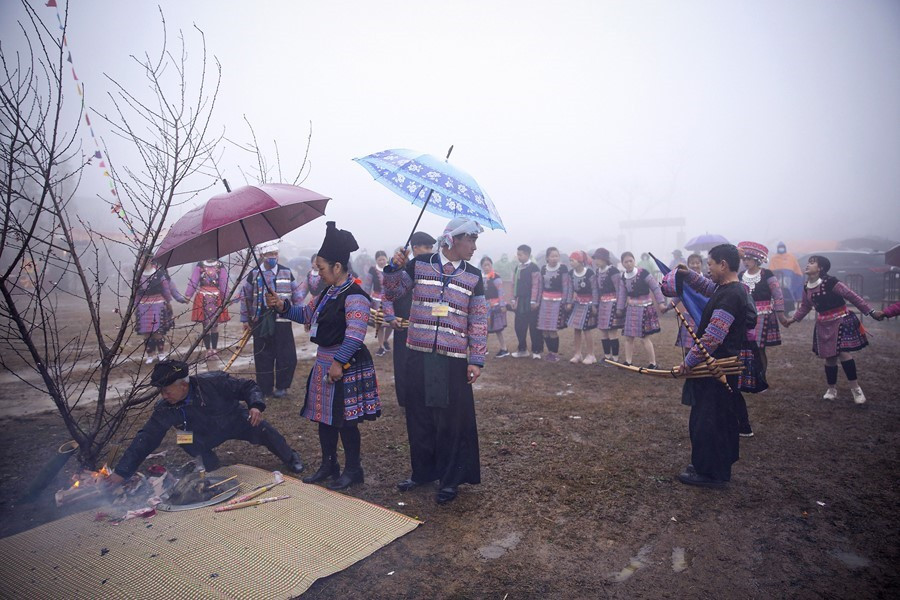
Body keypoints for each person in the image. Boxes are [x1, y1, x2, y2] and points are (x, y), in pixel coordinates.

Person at [269, 222, 381, 490]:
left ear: (337, 267)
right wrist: (282, 306)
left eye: (321, 268)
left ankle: (353, 470)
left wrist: (339, 363)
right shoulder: (326, 293)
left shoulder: (355, 296)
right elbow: (305, 315)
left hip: (346, 364)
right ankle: (329, 465)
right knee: (325, 418)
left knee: (345, 421)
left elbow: (355, 335)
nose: (318, 273)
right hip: (324, 363)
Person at [384, 217, 487, 505]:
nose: (474, 247)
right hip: (417, 353)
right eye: (471, 240)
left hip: (452, 359)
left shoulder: (474, 276)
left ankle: (450, 480)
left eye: (475, 241)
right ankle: (422, 472)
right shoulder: (419, 264)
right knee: (418, 415)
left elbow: (478, 320)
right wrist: (394, 268)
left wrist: (476, 359)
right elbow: (393, 293)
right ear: (453, 240)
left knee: (451, 421)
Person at [106, 360, 303, 485]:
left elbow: (248, 387)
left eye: (166, 390)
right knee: (183, 438)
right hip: (203, 434)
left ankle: (290, 457)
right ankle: (212, 464)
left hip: (233, 420)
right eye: (161, 391)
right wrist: (122, 471)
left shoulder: (213, 381)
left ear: (184, 385)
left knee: (263, 429)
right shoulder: (166, 407)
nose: (163, 395)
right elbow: (147, 437)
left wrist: (256, 405)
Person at [661, 244, 750, 488]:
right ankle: (707, 465)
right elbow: (706, 287)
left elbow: (712, 337)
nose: (707, 269)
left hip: (717, 368)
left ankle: (712, 474)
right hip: (714, 368)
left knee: (711, 421)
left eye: (710, 264)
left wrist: (688, 363)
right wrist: (687, 274)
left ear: (723, 264)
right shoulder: (727, 288)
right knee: (707, 418)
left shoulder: (731, 295)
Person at [783, 255, 876, 404]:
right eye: (808, 262)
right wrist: (792, 320)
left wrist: (870, 311)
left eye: (812, 263)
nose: (807, 265)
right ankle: (831, 389)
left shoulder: (832, 282)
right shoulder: (807, 287)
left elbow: (852, 296)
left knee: (843, 353)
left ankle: (856, 389)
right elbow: (805, 307)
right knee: (830, 357)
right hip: (823, 323)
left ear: (820, 268)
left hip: (841, 320)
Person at [240, 241, 304, 399]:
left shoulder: (286, 272)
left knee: (286, 354)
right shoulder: (254, 274)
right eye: (270, 254)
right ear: (262, 256)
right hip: (260, 319)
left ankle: (282, 386)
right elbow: (246, 297)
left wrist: (300, 313)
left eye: (275, 254)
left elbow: (297, 294)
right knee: (263, 355)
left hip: (282, 319)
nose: (273, 257)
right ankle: (265, 387)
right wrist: (245, 319)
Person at [384, 231, 437, 407]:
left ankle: (424, 397)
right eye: (426, 247)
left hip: (425, 326)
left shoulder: (433, 270)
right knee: (403, 362)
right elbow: (388, 294)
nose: (430, 251)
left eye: (431, 247)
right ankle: (406, 399)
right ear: (415, 248)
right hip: (403, 323)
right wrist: (391, 317)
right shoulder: (402, 268)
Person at [737, 242, 789, 377]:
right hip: (745, 316)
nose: (746, 262)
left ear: (757, 260)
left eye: (749, 259)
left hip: (763, 315)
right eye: (744, 259)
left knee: (759, 349)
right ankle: (748, 377)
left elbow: (777, 294)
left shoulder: (767, 274)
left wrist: (781, 315)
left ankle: (761, 378)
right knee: (745, 348)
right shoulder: (740, 275)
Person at [616, 251, 667, 368]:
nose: (629, 263)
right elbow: (622, 294)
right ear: (622, 263)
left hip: (645, 308)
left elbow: (655, 287)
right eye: (626, 262)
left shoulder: (643, 273)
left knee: (645, 338)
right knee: (628, 337)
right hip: (631, 309)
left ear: (634, 261)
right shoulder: (623, 277)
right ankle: (628, 361)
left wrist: (661, 303)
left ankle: (653, 363)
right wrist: (619, 308)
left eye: (630, 261)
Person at [134, 252, 187, 364]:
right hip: (143, 306)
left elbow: (167, 289)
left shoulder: (159, 273)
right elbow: (136, 293)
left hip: (158, 305)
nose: (141, 261)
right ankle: (150, 355)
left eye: (143, 258)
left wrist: (171, 301)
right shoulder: (137, 274)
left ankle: (161, 354)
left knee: (158, 331)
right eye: (140, 258)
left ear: (149, 259)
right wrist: (135, 306)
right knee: (146, 332)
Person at [184, 259, 231, 360]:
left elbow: (223, 282)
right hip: (203, 297)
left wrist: (227, 296)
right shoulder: (200, 265)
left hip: (216, 298)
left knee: (214, 325)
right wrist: (188, 294)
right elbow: (194, 280)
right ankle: (208, 350)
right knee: (205, 325)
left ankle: (214, 350)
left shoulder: (220, 265)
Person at [537, 247, 571, 362]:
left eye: (556, 256)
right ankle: (550, 352)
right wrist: (537, 301)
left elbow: (566, 286)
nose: (554, 258)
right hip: (544, 302)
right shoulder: (543, 269)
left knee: (552, 329)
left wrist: (566, 301)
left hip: (557, 302)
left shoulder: (563, 268)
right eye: (552, 256)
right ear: (547, 257)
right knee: (544, 329)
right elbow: (540, 286)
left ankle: (554, 353)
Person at [509, 244, 542, 358]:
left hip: (531, 302)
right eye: (517, 254)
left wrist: (534, 301)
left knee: (534, 327)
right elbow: (513, 284)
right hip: (520, 301)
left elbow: (536, 285)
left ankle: (536, 351)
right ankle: (522, 349)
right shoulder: (517, 268)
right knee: (519, 326)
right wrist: (513, 299)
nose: (518, 257)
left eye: (520, 254)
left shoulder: (534, 267)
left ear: (527, 255)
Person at [566, 251, 597, 364]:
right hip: (577, 303)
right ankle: (577, 354)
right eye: (570, 260)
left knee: (586, 329)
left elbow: (594, 289)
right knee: (576, 329)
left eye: (572, 260)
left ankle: (591, 355)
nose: (571, 262)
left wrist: (594, 304)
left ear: (579, 261)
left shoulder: (589, 273)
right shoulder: (571, 273)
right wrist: (569, 302)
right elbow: (570, 289)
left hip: (588, 303)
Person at [592, 248, 622, 363]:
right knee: (603, 332)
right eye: (595, 259)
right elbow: (596, 290)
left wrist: (619, 306)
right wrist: (595, 304)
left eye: (599, 258)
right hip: (602, 305)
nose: (596, 261)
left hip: (613, 304)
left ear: (605, 259)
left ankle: (615, 358)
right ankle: (607, 356)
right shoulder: (597, 271)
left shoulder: (613, 271)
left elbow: (619, 289)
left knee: (612, 332)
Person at [481, 256, 510, 358]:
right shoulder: (481, 277)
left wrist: (502, 305)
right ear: (482, 266)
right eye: (484, 265)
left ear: (491, 265)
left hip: (495, 306)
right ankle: (483, 348)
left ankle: (504, 348)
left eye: (488, 265)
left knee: (498, 329)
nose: (487, 267)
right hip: (484, 307)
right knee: (484, 328)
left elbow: (501, 292)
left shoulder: (496, 277)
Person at [365, 250, 392, 357]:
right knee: (380, 324)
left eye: (383, 259)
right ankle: (381, 346)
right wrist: (366, 299)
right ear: (376, 260)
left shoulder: (391, 268)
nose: (381, 261)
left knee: (390, 323)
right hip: (377, 301)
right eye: (379, 260)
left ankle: (385, 340)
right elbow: (367, 286)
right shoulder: (372, 270)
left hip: (390, 300)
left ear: (386, 259)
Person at [768, 242, 804, 312]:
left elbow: (796, 268)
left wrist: (798, 275)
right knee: (779, 293)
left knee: (789, 293)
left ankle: (789, 308)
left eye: (782, 247)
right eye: (780, 247)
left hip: (789, 279)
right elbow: (771, 270)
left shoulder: (791, 257)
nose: (781, 249)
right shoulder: (774, 258)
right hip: (778, 279)